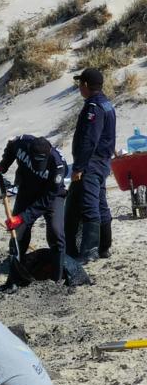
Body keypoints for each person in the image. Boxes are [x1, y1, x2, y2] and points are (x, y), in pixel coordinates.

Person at [0, 135, 68, 284]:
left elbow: (47, 199)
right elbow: (11, 146)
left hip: (52, 196)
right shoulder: (22, 144)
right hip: (27, 190)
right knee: (18, 233)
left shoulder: (58, 166)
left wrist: (23, 217)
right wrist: (3, 165)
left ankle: (57, 279)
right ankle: (15, 278)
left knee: (56, 231)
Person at [65, 68, 116, 263]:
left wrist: (78, 167)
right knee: (101, 203)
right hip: (102, 161)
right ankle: (104, 247)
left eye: (80, 84)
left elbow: (89, 140)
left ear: (85, 85)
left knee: (89, 204)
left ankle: (90, 251)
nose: (79, 88)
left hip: (92, 163)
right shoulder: (106, 104)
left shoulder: (94, 107)